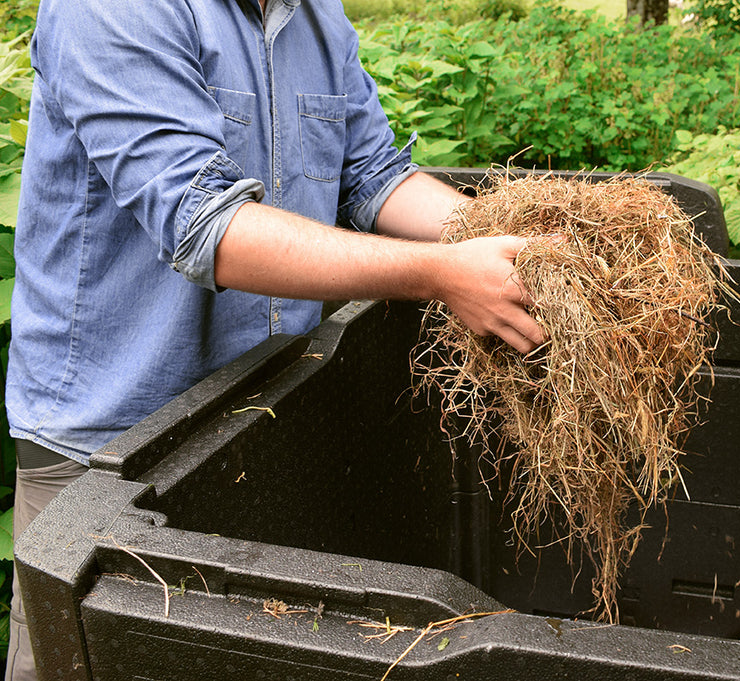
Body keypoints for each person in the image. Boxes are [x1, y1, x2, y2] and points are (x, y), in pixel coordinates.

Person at [4, 0, 545, 678]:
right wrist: (440, 274)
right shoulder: (114, 9)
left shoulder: (315, 18)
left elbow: (374, 176)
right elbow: (205, 226)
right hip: (107, 454)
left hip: (254, 424)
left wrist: (520, 248)